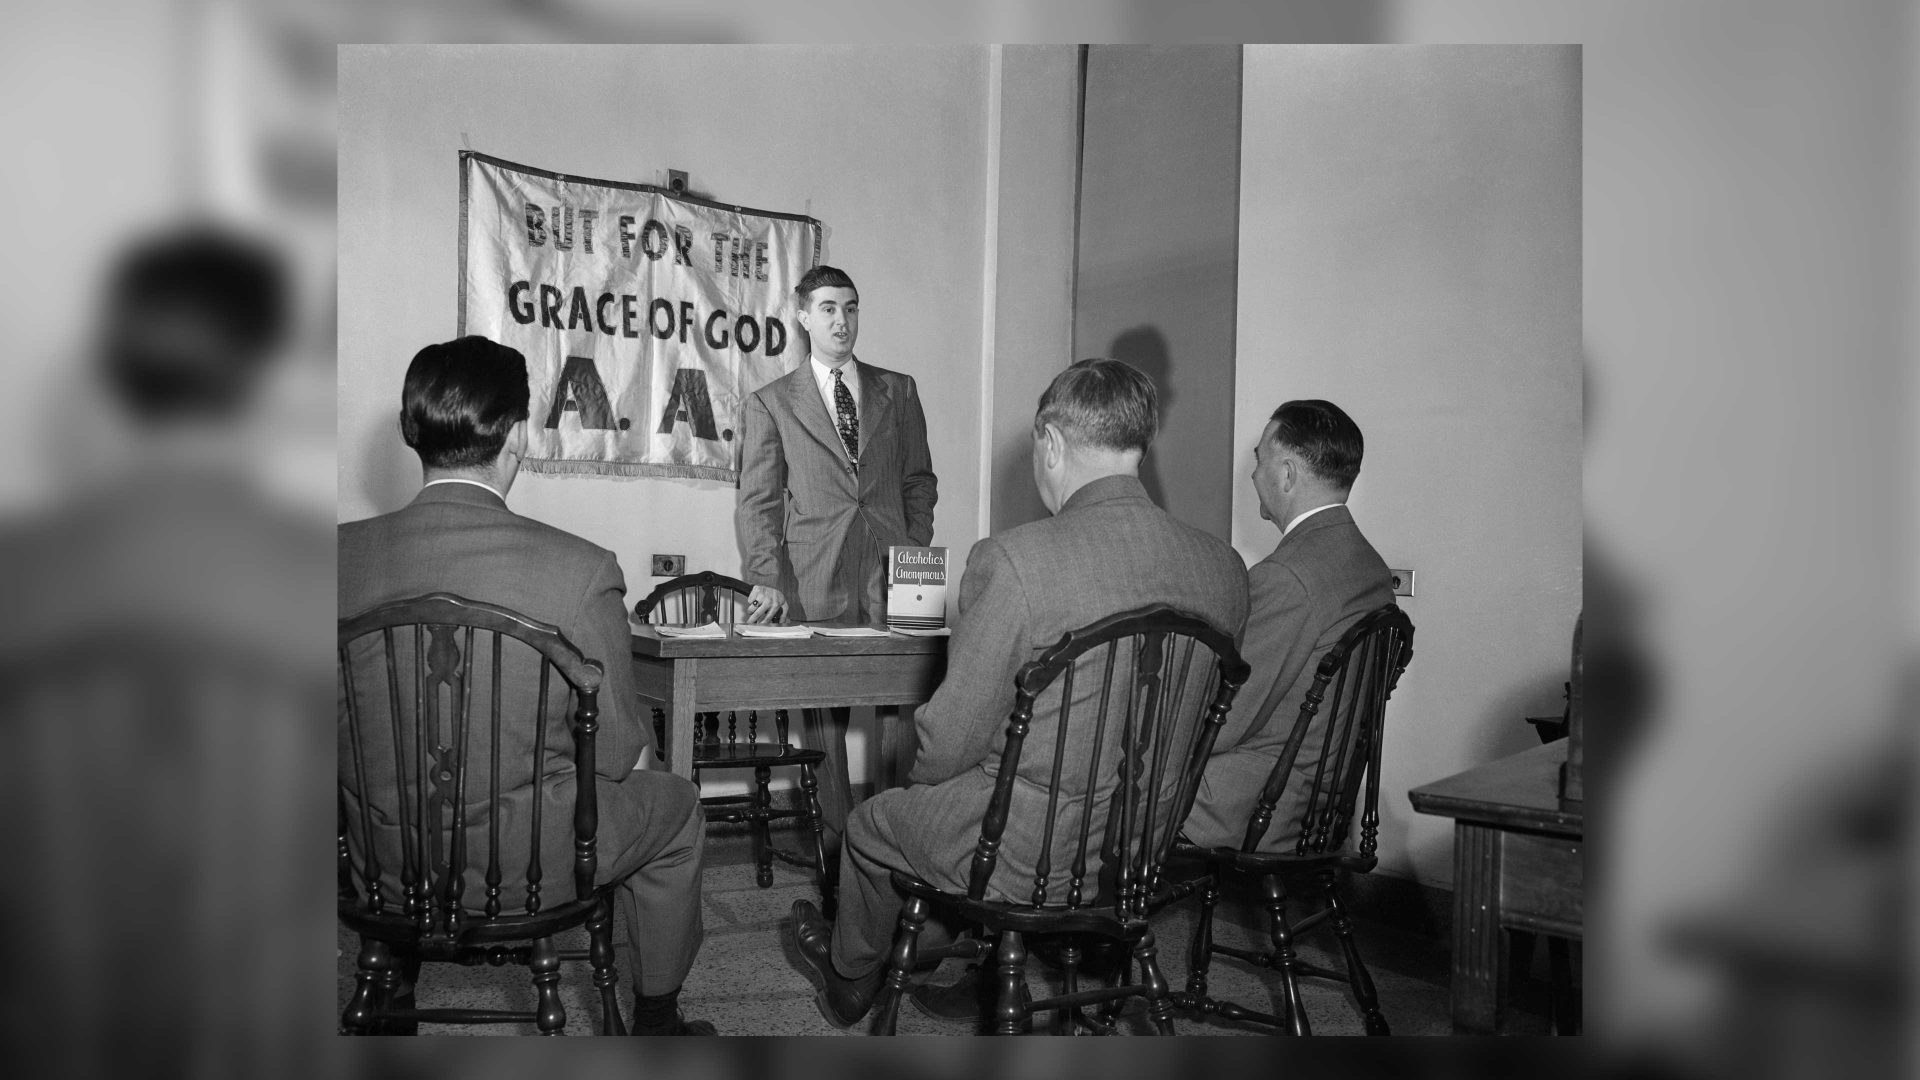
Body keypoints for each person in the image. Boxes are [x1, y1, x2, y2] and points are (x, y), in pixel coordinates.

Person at [783, 358, 1250, 1028]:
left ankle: (853, 976)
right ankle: (946, 956)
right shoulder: (1225, 568)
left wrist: (924, 794)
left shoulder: (1015, 558)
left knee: (871, 825)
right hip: (1142, 854)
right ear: (1138, 444)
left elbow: (948, 741)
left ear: (1053, 443)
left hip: (1025, 853)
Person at [337, 336, 714, 1035]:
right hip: (530, 868)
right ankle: (657, 1018)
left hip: (376, 863)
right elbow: (614, 755)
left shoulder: (332, 556)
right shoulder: (580, 569)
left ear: (412, 434)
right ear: (514, 437)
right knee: (678, 807)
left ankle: (391, 978)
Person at [1181, 399, 1394, 852]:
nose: (1253, 474)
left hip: (1264, 801)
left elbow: (1226, 719)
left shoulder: (1287, 577)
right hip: (1324, 795)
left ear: (1288, 474)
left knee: (1107, 776)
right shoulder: (1370, 566)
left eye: (1260, 460)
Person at [734, 264, 937, 627]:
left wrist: (913, 549)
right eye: (828, 309)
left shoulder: (900, 390)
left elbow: (919, 481)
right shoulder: (772, 403)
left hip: (895, 580)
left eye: (851, 308)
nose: (841, 320)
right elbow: (759, 503)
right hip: (812, 580)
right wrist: (765, 579)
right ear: (804, 318)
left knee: (899, 683)